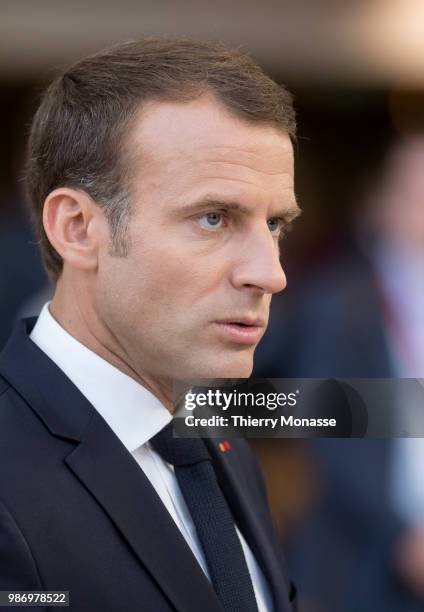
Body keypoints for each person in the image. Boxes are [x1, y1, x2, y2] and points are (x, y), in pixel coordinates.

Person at [0, 38, 300, 611]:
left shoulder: (216, 437)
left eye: (276, 224)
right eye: (214, 218)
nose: (271, 273)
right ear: (79, 228)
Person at [254, 134, 424, 611]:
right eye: (415, 193)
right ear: (382, 202)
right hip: (364, 563)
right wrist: (401, 537)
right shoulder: (338, 306)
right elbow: (327, 433)